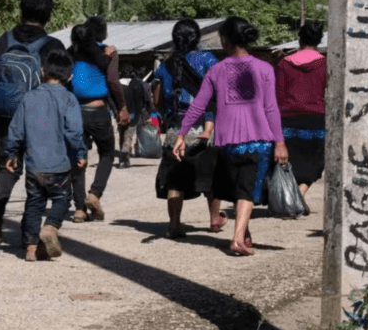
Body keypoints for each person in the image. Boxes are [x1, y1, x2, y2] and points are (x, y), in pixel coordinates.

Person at [174, 16, 287, 256]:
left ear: (225, 41)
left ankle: (243, 235)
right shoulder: (265, 68)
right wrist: (280, 142)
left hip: (227, 142)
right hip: (259, 140)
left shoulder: (216, 70)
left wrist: (182, 133)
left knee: (238, 188)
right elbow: (271, 109)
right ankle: (237, 239)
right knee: (246, 190)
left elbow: (198, 105)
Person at [0, 0, 66, 245]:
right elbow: (62, 87)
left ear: (20, 13)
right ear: (48, 17)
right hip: (39, 118)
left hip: (3, 117)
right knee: (36, 174)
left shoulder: (2, 41)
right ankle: (29, 234)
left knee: (8, 167)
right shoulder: (54, 46)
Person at [5, 50, 87, 261]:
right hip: (58, 165)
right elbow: (74, 131)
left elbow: (16, 129)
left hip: (33, 165)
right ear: (69, 77)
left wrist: (12, 153)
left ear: (41, 72)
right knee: (62, 198)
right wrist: (80, 152)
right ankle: (50, 227)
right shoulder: (69, 99)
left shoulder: (28, 97)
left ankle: (31, 248)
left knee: (34, 203)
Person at [153, 19, 223, 239]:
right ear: (197, 37)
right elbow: (217, 94)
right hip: (205, 127)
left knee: (175, 178)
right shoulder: (208, 60)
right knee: (211, 176)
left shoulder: (165, 65)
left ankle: (174, 225)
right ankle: (214, 220)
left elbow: (158, 99)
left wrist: (167, 118)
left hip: (176, 129)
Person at [68, 21, 128, 223]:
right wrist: (121, 107)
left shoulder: (70, 53)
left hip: (75, 111)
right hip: (97, 110)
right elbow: (112, 80)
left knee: (78, 157)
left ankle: (79, 209)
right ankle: (94, 194)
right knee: (108, 153)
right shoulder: (106, 52)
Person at [275, 22, 326, 206]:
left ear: (299, 38)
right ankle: (298, 195)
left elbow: (278, 95)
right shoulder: (324, 63)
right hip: (316, 119)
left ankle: (294, 197)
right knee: (316, 162)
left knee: (292, 162)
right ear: (319, 40)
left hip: (288, 119)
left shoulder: (284, 64)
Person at [117, 71, 153, 168]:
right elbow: (144, 100)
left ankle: (123, 158)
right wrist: (147, 113)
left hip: (119, 113)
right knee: (128, 134)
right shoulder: (137, 83)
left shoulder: (116, 84)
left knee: (122, 134)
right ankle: (125, 154)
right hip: (133, 113)